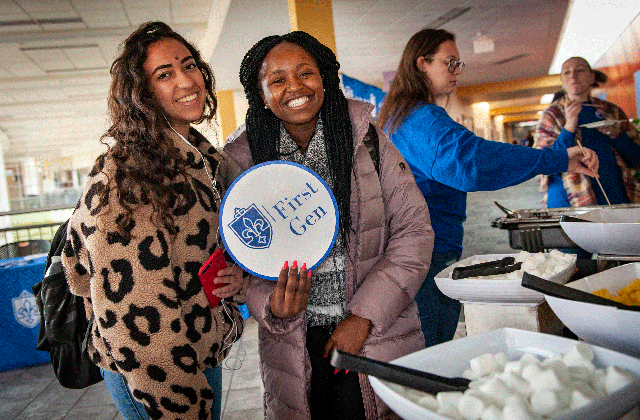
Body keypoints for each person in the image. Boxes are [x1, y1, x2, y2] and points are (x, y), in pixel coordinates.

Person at [224, 31, 434, 420]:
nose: (295, 87)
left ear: (324, 78)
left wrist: (363, 317)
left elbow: (414, 230)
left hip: (378, 333)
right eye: (278, 80)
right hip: (293, 346)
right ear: (262, 97)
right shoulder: (242, 163)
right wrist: (270, 304)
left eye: (306, 73)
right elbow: (240, 260)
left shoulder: (366, 138)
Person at [61, 22, 246, 420]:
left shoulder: (201, 157)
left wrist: (236, 276)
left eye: (190, 65)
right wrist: (183, 404)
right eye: (165, 74)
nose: (187, 80)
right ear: (143, 94)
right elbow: (135, 318)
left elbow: (208, 245)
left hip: (198, 348)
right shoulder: (125, 175)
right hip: (156, 371)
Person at [376, 29, 600, 349]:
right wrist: (557, 158)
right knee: (427, 348)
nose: (456, 71)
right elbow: (472, 162)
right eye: (449, 62)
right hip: (424, 248)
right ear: (422, 63)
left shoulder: (401, 115)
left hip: (419, 244)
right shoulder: (419, 117)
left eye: (459, 64)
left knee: (423, 344)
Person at [535, 57, 640, 208]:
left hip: (614, 197)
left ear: (592, 77)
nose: (573, 76)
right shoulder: (552, 115)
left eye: (580, 70)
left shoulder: (611, 111)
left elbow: (635, 157)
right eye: (567, 72)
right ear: (562, 82)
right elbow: (545, 163)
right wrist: (569, 127)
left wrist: (617, 135)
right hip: (568, 203)